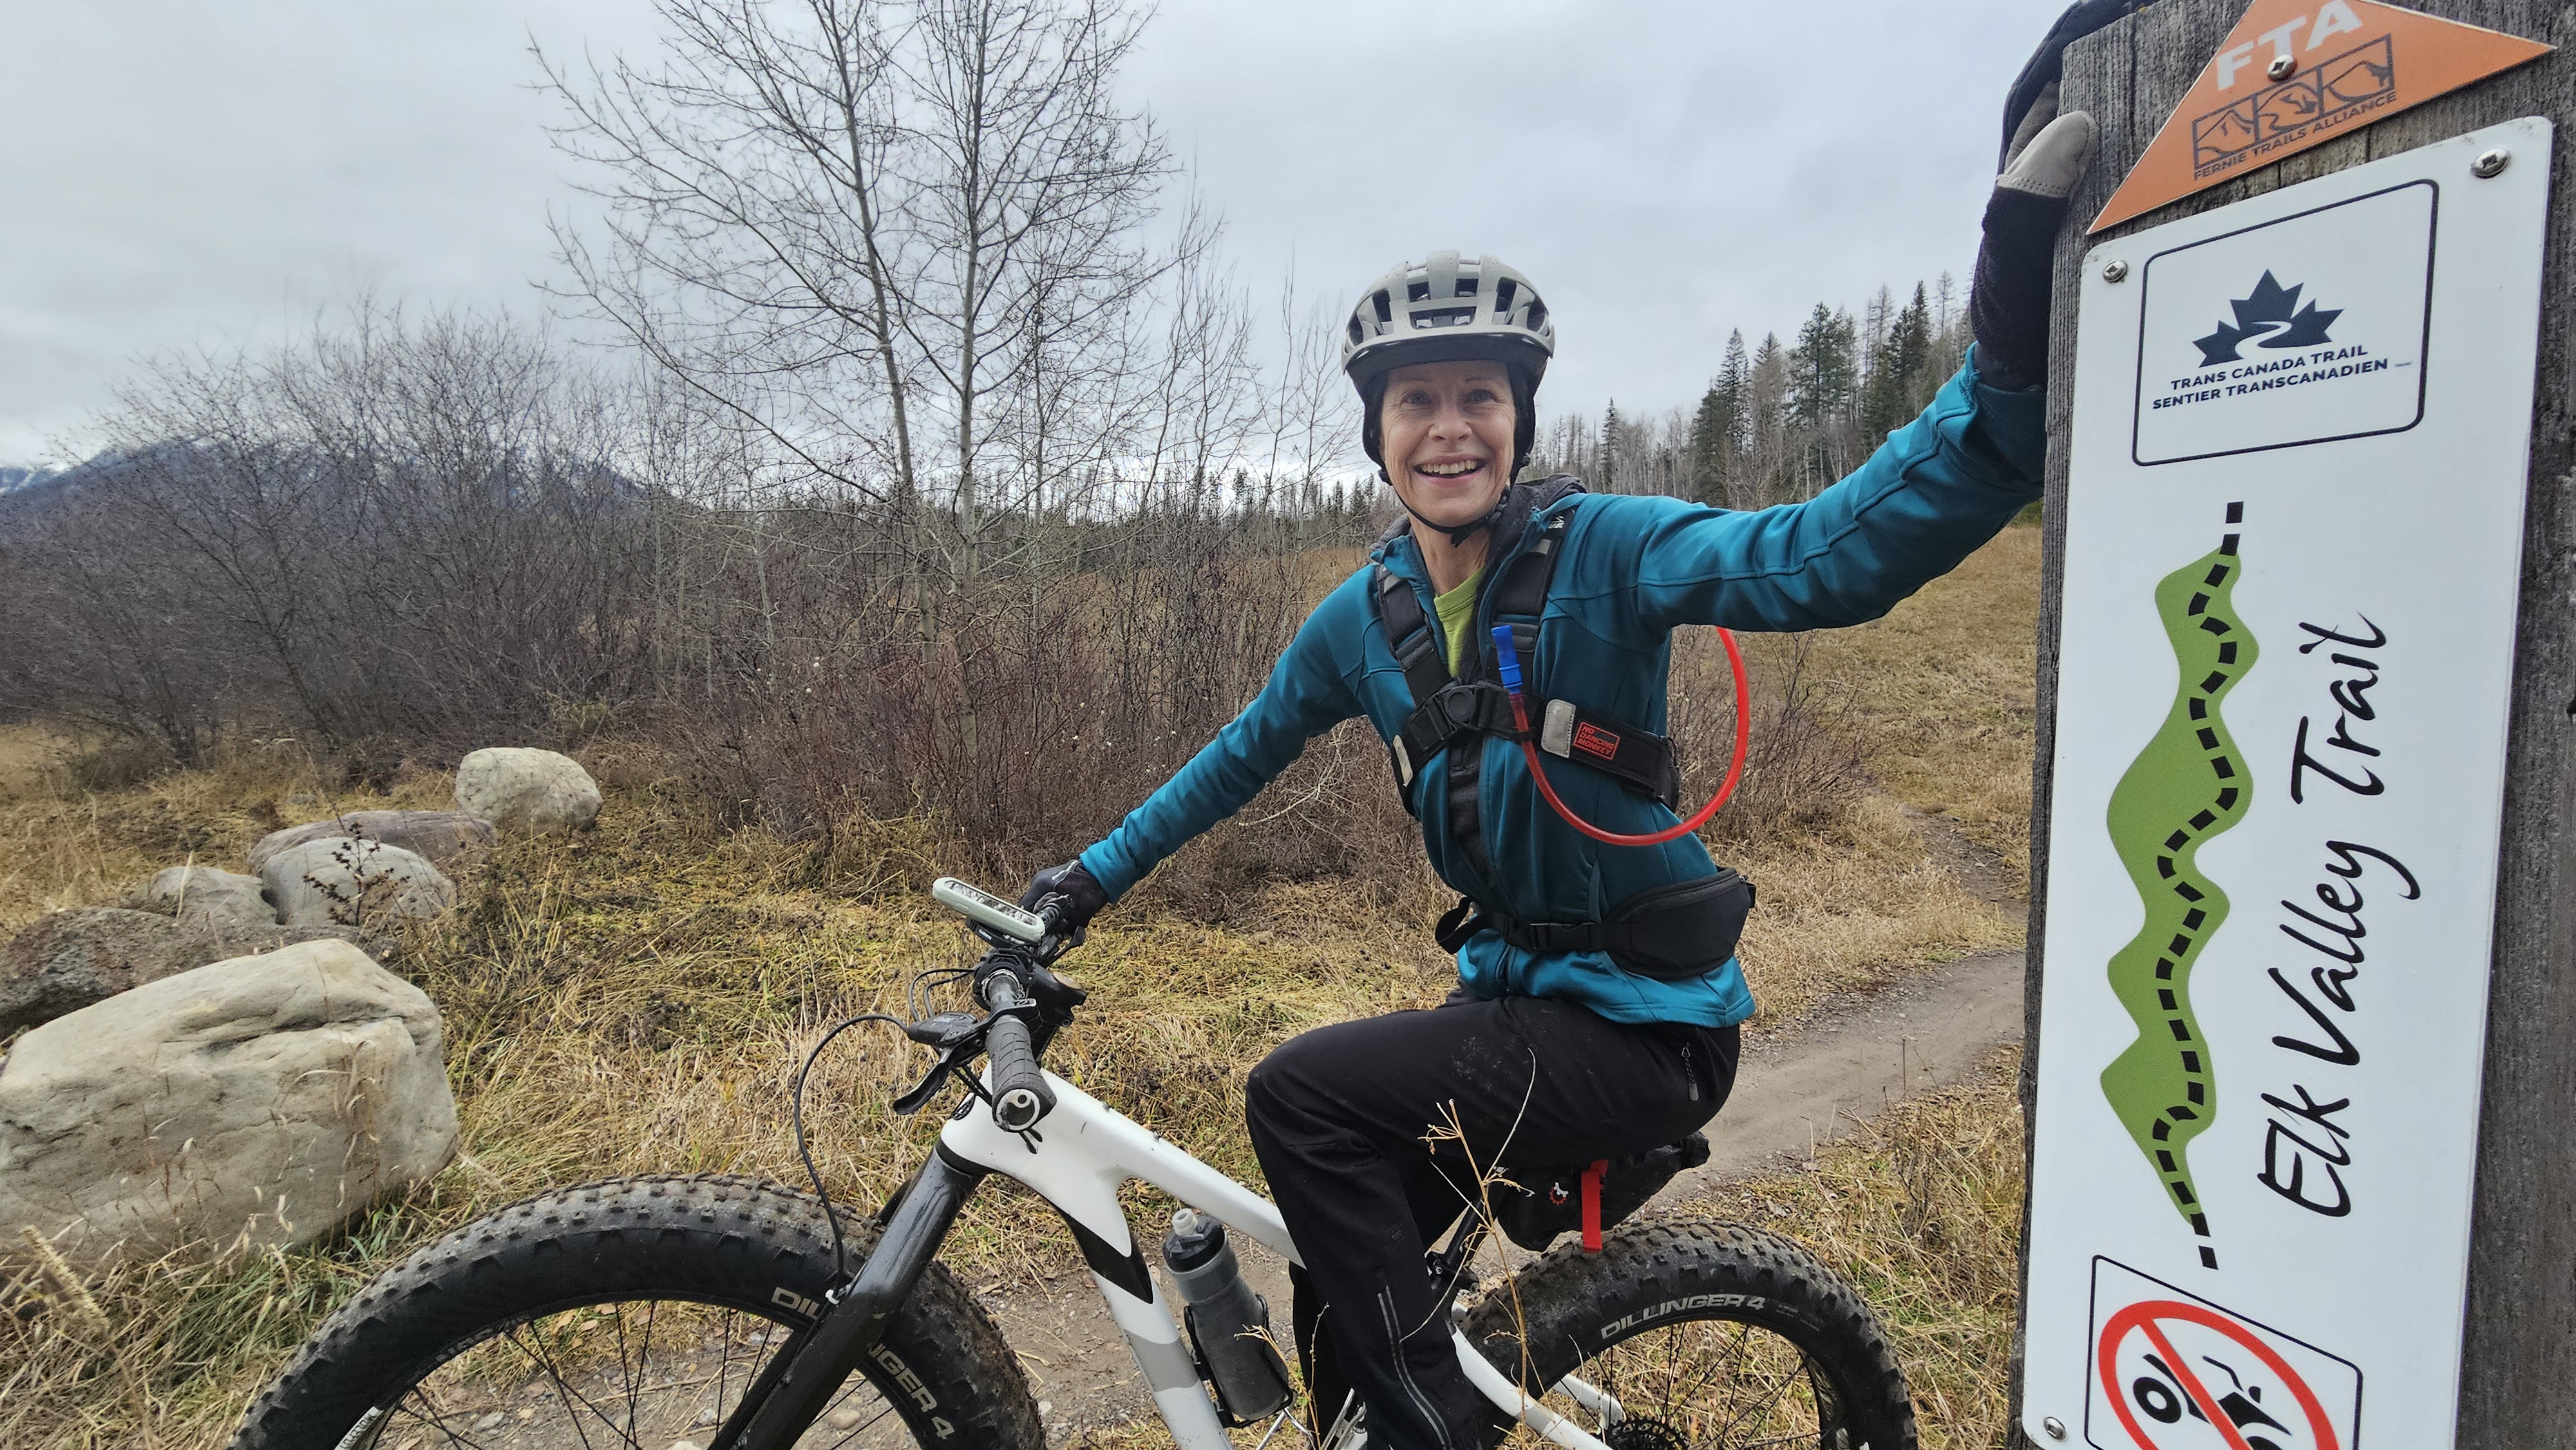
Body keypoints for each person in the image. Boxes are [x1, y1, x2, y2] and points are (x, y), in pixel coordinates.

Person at [1019, 18, 2112, 1446]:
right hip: (1515, 1006)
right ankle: (1391, 1412)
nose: (1449, 427)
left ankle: (1436, 1430)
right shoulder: (1362, 618)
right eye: (1417, 401)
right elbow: (1232, 761)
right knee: (1339, 1298)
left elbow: (1827, 553)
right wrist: (1082, 883)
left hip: (1642, 1032)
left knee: (1294, 1095)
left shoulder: (1611, 548)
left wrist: (2000, 373)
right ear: (1378, 435)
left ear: (1518, 420)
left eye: (1479, 396)